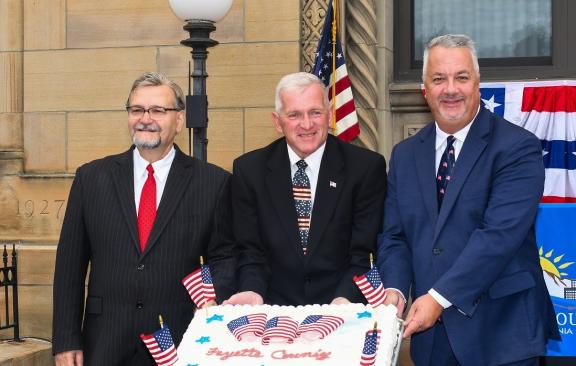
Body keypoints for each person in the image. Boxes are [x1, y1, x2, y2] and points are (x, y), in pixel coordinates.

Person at [377, 34, 560, 366]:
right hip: (432, 342)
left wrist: (437, 297)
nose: (450, 89)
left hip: (502, 335)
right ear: (424, 89)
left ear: (478, 84)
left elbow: (499, 236)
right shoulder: (404, 155)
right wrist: (396, 292)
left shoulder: (518, 147)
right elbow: (395, 236)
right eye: (438, 79)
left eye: (461, 77)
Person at [52, 72, 236, 365]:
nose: (145, 118)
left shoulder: (213, 182)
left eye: (158, 110)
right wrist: (65, 340)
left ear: (178, 120)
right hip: (104, 341)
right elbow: (69, 267)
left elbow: (224, 258)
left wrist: (212, 300)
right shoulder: (91, 178)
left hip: (180, 339)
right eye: (137, 109)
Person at [224, 72, 386, 306]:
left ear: (329, 115)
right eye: (294, 115)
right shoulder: (249, 171)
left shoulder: (365, 168)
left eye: (315, 112)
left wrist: (345, 299)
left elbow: (364, 253)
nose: (307, 124)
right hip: (274, 313)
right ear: (277, 122)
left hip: (342, 311)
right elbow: (250, 251)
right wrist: (252, 291)